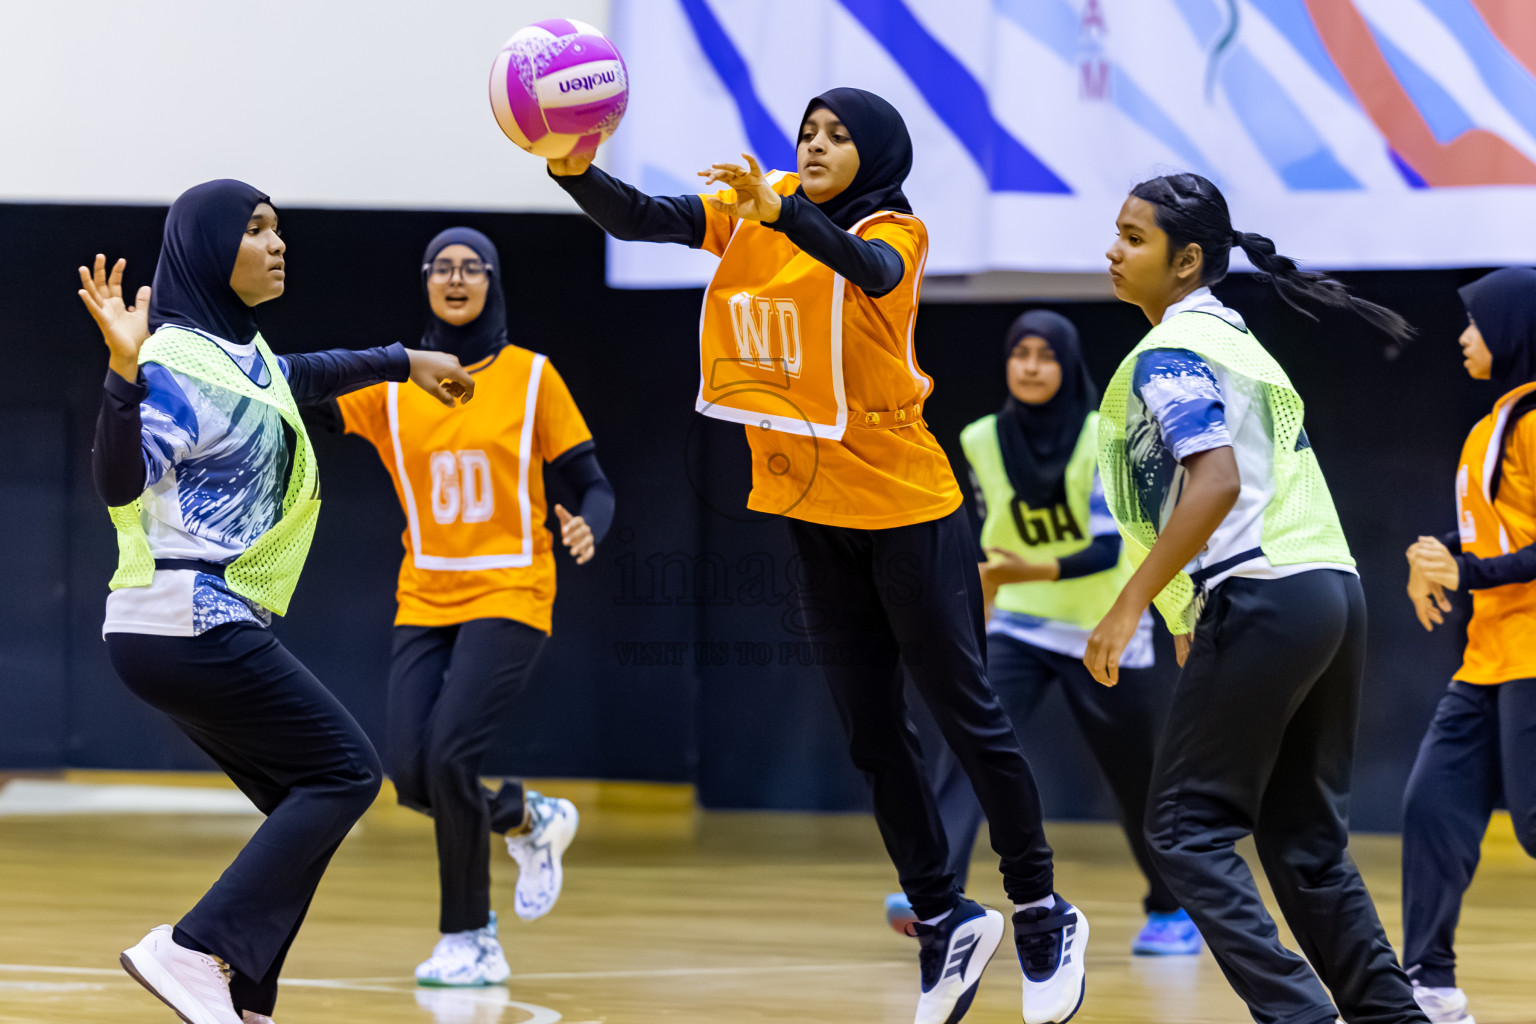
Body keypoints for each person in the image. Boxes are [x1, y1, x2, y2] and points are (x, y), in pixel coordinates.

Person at [542, 87, 1087, 1024]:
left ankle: (1040, 910)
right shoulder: (764, 203)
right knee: (873, 736)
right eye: (808, 132)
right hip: (813, 508)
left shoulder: (895, 231)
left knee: (967, 717)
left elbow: (865, 268)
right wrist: (570, 165)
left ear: (874, 152)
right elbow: (646, 219)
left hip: (911, 509)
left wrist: (782, 210)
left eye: (837, 135)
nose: (817, 144)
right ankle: (943, 917)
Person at [81, 179, 474, 1024]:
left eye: (278, 228)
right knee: (346, 774)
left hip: (187, 624)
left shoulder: (238, 358)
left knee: (309, 798)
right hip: (186, 617)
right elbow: (118, 482)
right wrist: (122, 375)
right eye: (255, 229)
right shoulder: (174, 358)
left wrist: (408, 362)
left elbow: (305, 373)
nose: (276, 242)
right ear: (208, 247)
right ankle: (189, 949)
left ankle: (247, 999)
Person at [1086, 172, 1427, 1024]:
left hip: (1266, 593)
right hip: (1332, 595)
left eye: (1134, 238)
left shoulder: (1171, 351)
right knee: (1306, 843)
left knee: (1183, 830)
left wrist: (1132, 603)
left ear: (1188, 259)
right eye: (1116, 233)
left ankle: (1300, 1017)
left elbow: (1215, 482)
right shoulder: (1239, 339)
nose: (1113, 250)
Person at [332, 226, 613, 986]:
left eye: (472, 268)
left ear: (492, 282)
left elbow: (593, 482)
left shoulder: (531, 378)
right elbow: (309, 404)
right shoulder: (394, 389)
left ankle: (471, 937)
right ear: (425, 282)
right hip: (425, 592)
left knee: (452, 756)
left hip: (513, 586)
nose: (456, 279)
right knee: (413, 775)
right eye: (442, 268)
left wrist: (591, 520)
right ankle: (527, 817)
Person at [883, 309, 1195, 957]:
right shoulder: (978, 439)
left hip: (1101, 628)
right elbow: (982, 528)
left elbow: (1107, 550)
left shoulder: (1102, 437)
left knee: (1136, 777)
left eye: (1044, 355)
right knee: (971, 746)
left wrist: (1027, 569)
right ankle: (936, 898)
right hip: (1020, 623)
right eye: (1019, 353)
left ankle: (1173, 910)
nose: (1030, 366)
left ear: (1067, 365)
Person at [1399, 267, 1536, 1024]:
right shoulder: (1494, 424)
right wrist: (1437, 553)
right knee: (1431, 807)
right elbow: (1500, 529)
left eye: (1475, 323)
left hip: (1532, 656)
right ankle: (1429, 986)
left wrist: (1469, 568)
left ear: (1514, 329)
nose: (1462, 336)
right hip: (1488, 657)